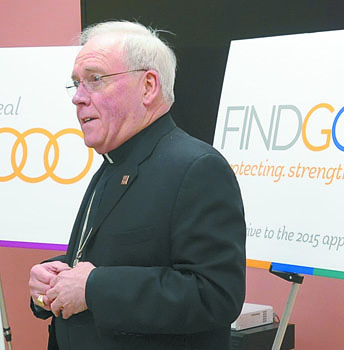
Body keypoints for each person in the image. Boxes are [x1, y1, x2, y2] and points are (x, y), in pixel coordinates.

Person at [28, 21, 246, 350]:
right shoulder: (114, 163)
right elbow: (116, 260)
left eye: (95, 79)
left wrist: (92, 288)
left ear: (148, 86)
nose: (77, 98)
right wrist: (53, 277)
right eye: (75, 84)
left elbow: (215, 294)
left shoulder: (197, 168)